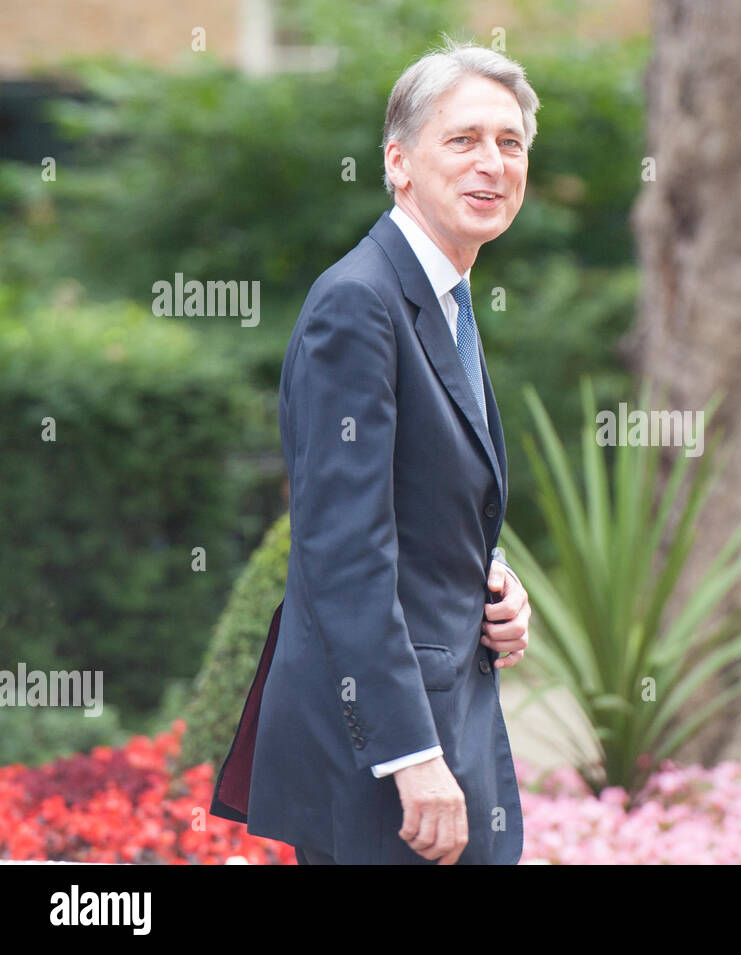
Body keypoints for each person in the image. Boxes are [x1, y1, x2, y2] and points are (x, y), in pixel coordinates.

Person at [209, 37, 539, 865]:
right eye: (463, 140)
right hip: (385, 765)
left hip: (450, 718)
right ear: (399, 162)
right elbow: (342, 548)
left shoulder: (443, 297)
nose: (491, 163)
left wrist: (493, 580)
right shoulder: (358, 304)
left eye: (510, 142)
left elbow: (421, 504)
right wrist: (411, 758)